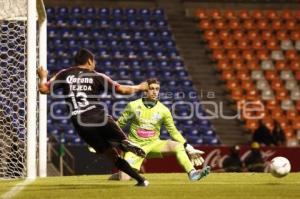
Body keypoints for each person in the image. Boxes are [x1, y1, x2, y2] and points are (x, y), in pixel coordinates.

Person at [38, 48, 150, 186]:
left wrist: (43, 76)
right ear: (90, 61)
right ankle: (124, 141)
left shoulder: (64, 74)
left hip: (80, 122)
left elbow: (43, 89)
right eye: (94, 61)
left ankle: (141, 180)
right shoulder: (97, 76)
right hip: (99, 116)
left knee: (112, 155)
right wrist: (139, 87)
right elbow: (121, 90)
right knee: (117, 138)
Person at [108, 78, 210, 181]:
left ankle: (192, 173)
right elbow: (119, 124)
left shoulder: (163, 110)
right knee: (124, 179)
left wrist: (188, 146)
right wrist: (104, 134)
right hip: (135, 147)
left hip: (153, 144)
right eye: (152, 89)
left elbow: (173, 131)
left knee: (178, 146)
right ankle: (119, 175)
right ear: (145, 90)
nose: (155, 92)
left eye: (157, 89)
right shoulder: (133, 106)